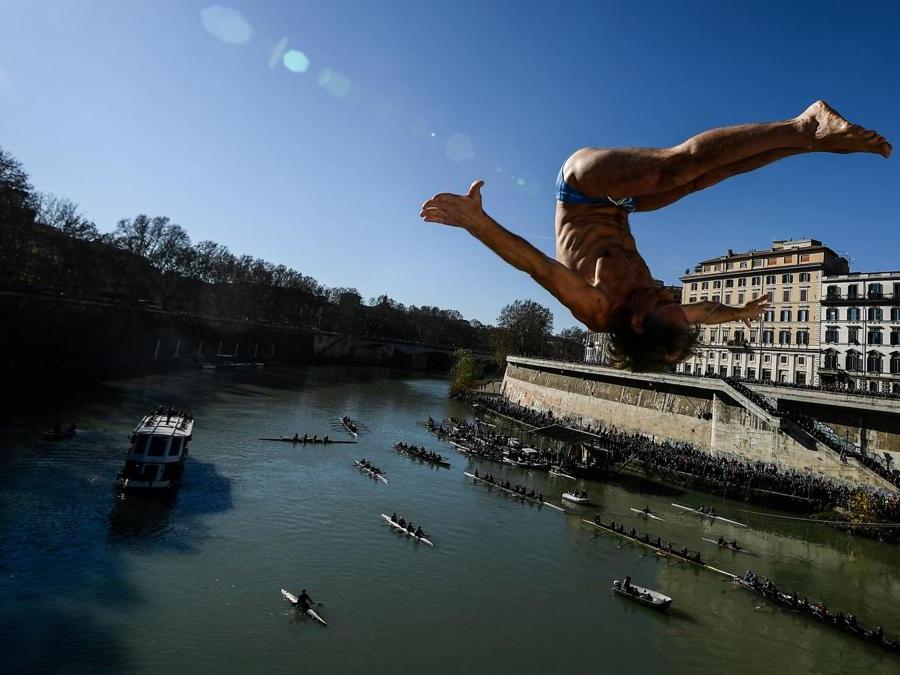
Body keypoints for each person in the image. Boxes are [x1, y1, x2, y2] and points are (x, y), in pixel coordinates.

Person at [419, 102, 891, 372]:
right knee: (700, 180)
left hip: (581, 189)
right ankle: (806, 142)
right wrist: (741, 312)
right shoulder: (657, 314)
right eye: (672, 300)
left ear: (639, 324)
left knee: (676, 166)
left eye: (664, 301)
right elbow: (704, 311)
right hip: (623, 205)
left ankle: (804, 124)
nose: (668, 291)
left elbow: (536, 265)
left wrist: (477, 223)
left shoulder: (599, 308)